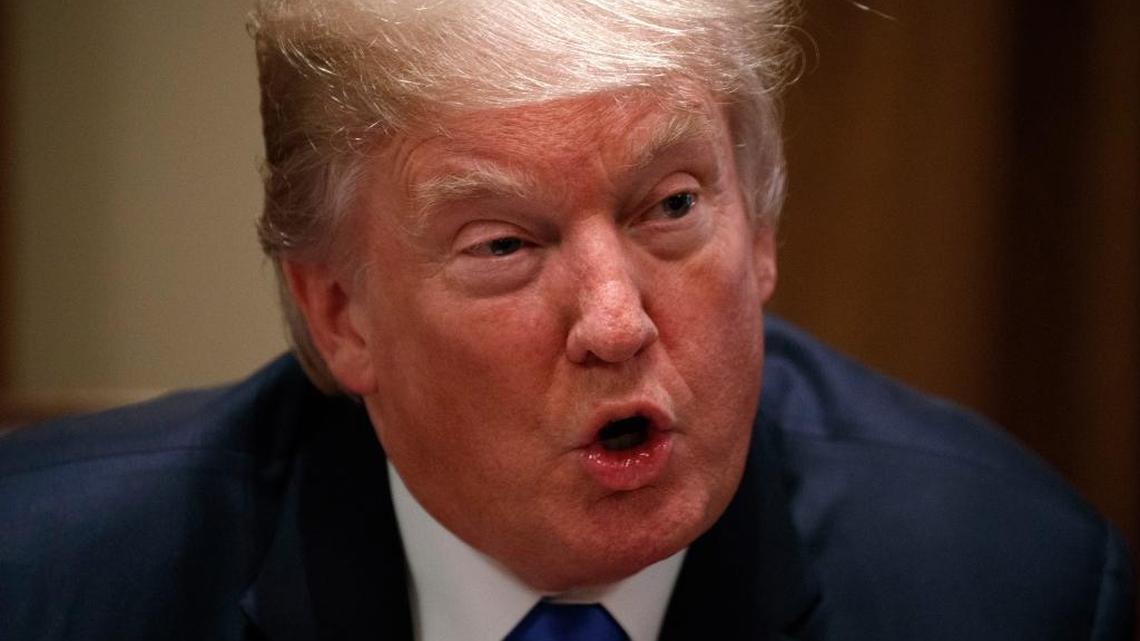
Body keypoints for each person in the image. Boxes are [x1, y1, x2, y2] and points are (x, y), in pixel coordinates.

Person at [0, 1, 1134, 639]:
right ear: (338, 310)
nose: (615, 319)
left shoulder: (1015, 587)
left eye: (673, 206)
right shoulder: (46, 580)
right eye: (504, 243)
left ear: (765, 228)